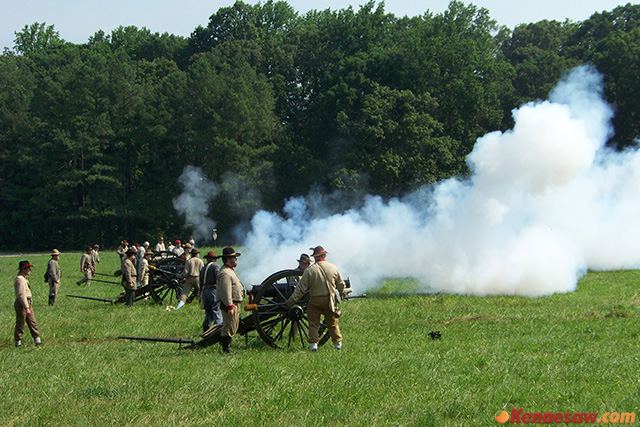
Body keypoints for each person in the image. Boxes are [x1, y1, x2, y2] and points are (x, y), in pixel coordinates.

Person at [285, 246, 347, 351]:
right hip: (329, 301)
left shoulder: (310, 270)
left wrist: (292, 301)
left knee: (313, 323)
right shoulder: (333, 268)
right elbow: (340, 284)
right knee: (332, 323)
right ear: (324, 256)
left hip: (315, 300)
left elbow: (300, 288)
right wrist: (343, 294)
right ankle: (338, 345)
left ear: (315, 257)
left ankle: (313, 345)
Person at [217, 247, 245, 353]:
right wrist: (229, 306)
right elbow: (225, 291)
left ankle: (227, 347)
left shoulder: (229, 271)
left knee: (232, 326)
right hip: (231, 303)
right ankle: (226, 349)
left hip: (234, 303)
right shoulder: (225, 273)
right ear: (228, 259)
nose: (236, 260)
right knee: (228, 327)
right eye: (234, 258)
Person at [14, 260, 41, 347]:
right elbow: (21, 295)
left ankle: (37, 339)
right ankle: (17, 341)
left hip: (27, 302)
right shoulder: (20, 280)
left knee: (32, 322)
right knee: (21, 323)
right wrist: (26, 307)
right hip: (22, 303)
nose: (29, 270)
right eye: (27, 268)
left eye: (29, 268)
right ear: (22, 269)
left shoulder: (24, 278)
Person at [200, 251, 222, 332]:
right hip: (213, 290)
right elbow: (218, 277)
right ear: (214, 259)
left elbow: (200, 281)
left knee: (208, 313)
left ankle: (205, 329)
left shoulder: (204, 267)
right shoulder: (215, 266)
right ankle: (217, 330)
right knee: (216, 311)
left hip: (205, 291)